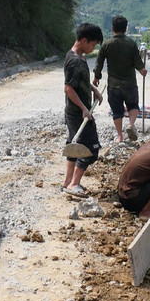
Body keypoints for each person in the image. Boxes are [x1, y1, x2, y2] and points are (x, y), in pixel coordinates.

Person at [63, 23, 104, 197]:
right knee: (90, 150)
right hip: (78, 114)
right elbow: (68, 89)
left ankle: (67, 183)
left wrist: (94, 91)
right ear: (84, 40)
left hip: (77, 112)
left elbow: (79, 81)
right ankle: (74, 184)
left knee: (74, 146)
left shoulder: (79, 57)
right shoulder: (73, 61)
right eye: (93, 45)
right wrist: (84, 109)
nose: (93, 48)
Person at [93, 15, 147, 143]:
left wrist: (96, 77)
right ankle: (131, 125)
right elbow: (138, 63)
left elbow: (99, 63)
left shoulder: (106, 44)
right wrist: (142, 70)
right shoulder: (131, 44)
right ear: (126, 28)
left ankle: (120, 136)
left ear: (112, 28)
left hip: (113, 85)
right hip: (130, 84)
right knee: (133, 105)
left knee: (117, 111)